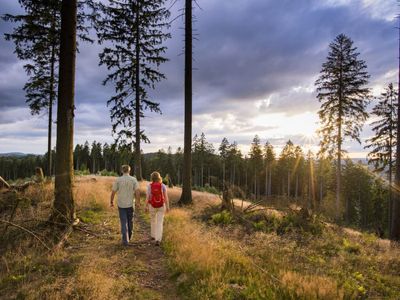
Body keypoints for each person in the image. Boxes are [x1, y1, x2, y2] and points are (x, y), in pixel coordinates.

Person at [110, 165, 140, 246]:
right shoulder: (133, 179)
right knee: (130, 221)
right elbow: (137, 191)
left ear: (122, 171)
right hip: (130, 204)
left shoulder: (118, 180)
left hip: (121, 204)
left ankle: (125, 241)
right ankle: (129, 237)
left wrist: (111, 201)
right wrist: (138, 202)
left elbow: (113, 192)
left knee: (124, 222)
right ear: (129, 171)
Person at [146, 171, 170, 246]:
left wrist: (146, 206)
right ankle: (158, 239)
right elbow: (166, 197)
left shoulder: (150, 186)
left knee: (153, 220)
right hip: (161, 205)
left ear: (152, 178)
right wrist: (168, 206)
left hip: (152, 205)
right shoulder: (163, 185)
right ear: (159, 177)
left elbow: (148, 197)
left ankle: (153, 235)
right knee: (159, 222)